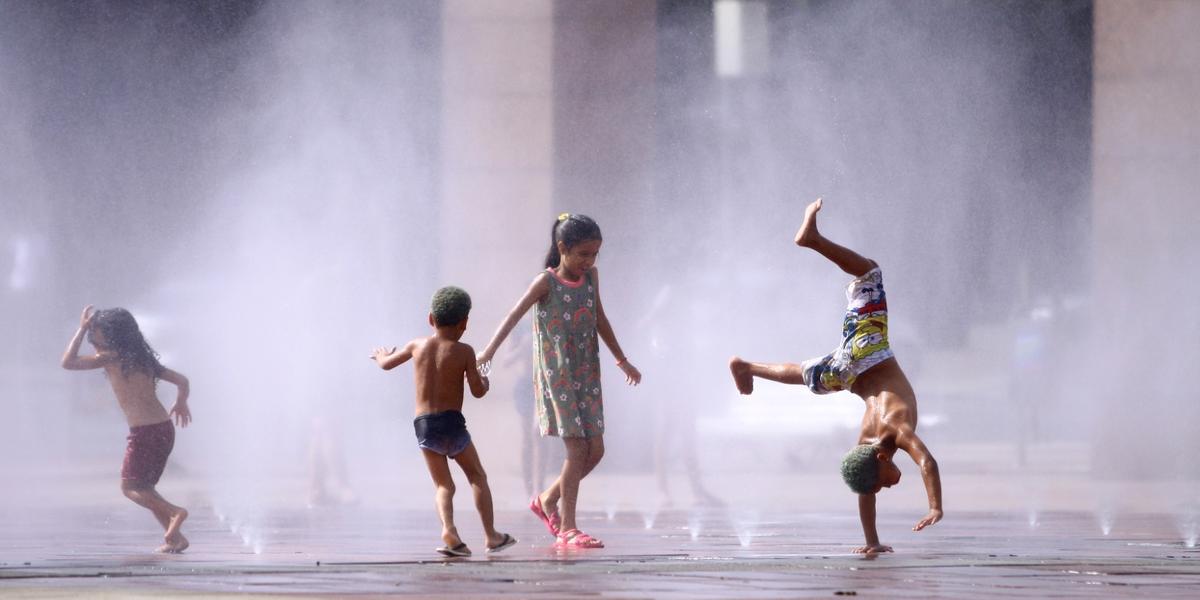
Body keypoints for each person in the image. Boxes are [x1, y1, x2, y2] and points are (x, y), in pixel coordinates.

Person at [728, 198, 943, 555]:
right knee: (803, 373)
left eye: (882, 485)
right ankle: (748, 367)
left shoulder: (892, 431)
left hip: (866, 355)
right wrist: (871, 543)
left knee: (870, 273)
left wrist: (935, 505)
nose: (887, 488)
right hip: (848, 374)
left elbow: (927, 463)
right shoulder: (868, 447)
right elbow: (865, 491)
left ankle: (812, 239)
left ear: (881, 459)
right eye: (883, 488)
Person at [476, 213, 642, 549]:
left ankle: (547, 499)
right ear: (562, 247)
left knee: (596, 449)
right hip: (558, 375)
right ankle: (568, 526)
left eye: (594, 254)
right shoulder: (545, 283)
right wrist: (489, 351)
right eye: (583, 254)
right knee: (577, 447)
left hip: (586, 372)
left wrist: (622, 359)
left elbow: (600, 318)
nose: (589, 261)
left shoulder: (591, 277)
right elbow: (512, 316)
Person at [370, 286, 516, 557]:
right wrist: (484, 380)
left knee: (443, 485)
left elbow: (386, 365)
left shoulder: (416, 345)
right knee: (477, 475)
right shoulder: (464, 351)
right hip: (452, 423)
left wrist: (380, 356)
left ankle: (449, 531)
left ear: (431, 319)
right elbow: (477, 391)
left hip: (424, 424)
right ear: (465, 323)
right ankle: (492, 536)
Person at [60, 305, 192, 553]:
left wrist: (80, 328)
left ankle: (176, 512)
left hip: (144, 433)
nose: (92, 336)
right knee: (146, 488)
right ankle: (176, 539)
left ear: (110, 333)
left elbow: (68, 362)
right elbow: (182, 381)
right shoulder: (142, 358)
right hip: (163, 429)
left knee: (130, 488)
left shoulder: (111, 357)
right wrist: (181, 401)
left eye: (95, 331)